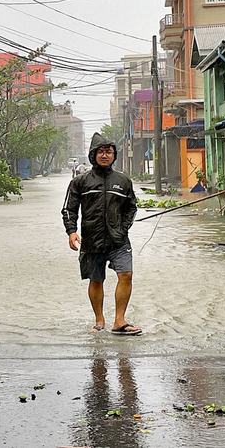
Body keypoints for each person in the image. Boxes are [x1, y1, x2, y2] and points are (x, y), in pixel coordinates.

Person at [61, 133, 140, 336]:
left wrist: (123, 228)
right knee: (96, 281)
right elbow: (69, 209)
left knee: (126, 275)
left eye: (109, 152)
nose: (105, 155)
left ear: (114, 155)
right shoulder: (80, 182)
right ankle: (99, 320)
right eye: (101, 152)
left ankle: (119, 321)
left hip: (119, 240)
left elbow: (131, 208)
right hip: (91, 240)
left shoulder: (123, 181)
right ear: (93, 154)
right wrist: (71, 232)